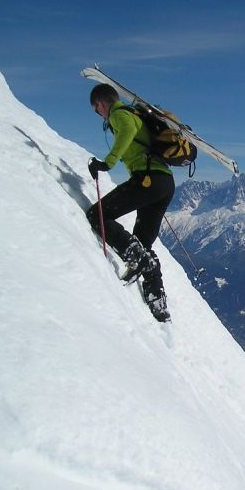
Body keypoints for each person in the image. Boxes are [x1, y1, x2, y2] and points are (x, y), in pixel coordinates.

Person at [85, 83, 173, 322]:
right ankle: (158, 302)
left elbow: (126, 131)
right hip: (164, 183)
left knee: (96, 215)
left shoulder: (120, 114)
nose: (99, 115)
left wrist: (107, 163)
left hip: (148, 180)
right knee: (143, 241)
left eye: (96, 110)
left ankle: (137, 258)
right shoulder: (135, 114)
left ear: (101, 103)